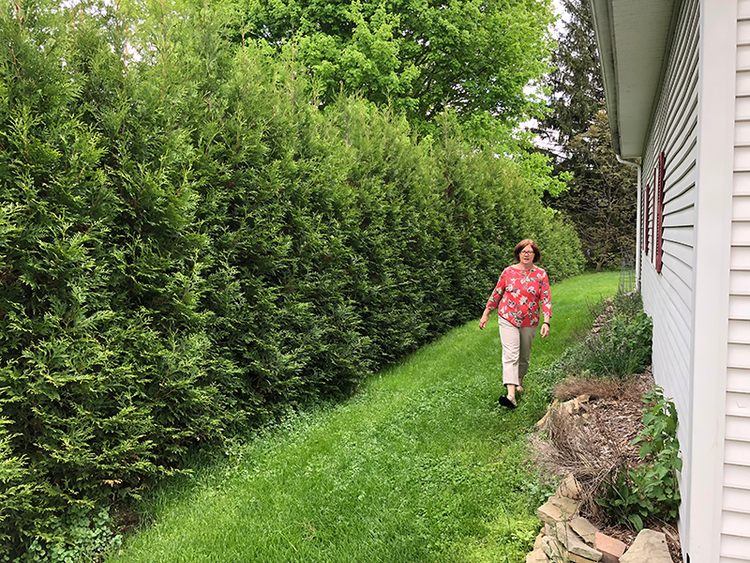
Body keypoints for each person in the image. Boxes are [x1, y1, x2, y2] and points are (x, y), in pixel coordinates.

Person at [479, 239, 551, 409]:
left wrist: (546, 322)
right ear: (518, 253)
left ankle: (519, 382)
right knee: (510, 354)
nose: (526, 255)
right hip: (508, 317)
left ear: (535, 255)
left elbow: (546, 298)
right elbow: (497, 292)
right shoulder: (508, 272)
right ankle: (511, 395)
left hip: (530, 320)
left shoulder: (541, 274)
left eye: (530, 252)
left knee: (524, 355)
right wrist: (486, 313)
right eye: (523, 251)